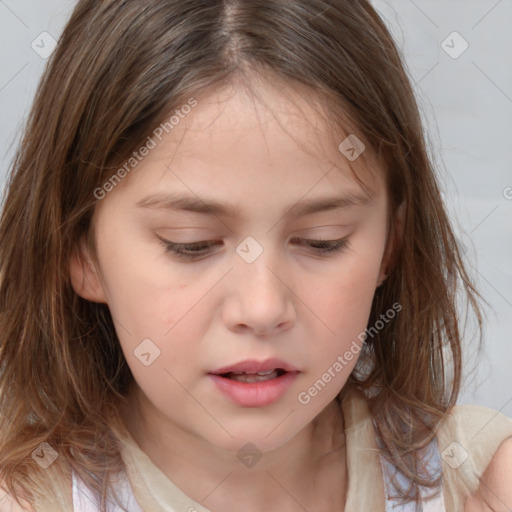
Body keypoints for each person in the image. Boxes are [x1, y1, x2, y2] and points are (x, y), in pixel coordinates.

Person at [0, 1, 511, 511]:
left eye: (322, 240)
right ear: (81, 250)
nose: (263, 308)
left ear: (390, 247)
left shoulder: (481, 477)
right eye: (191, 244)